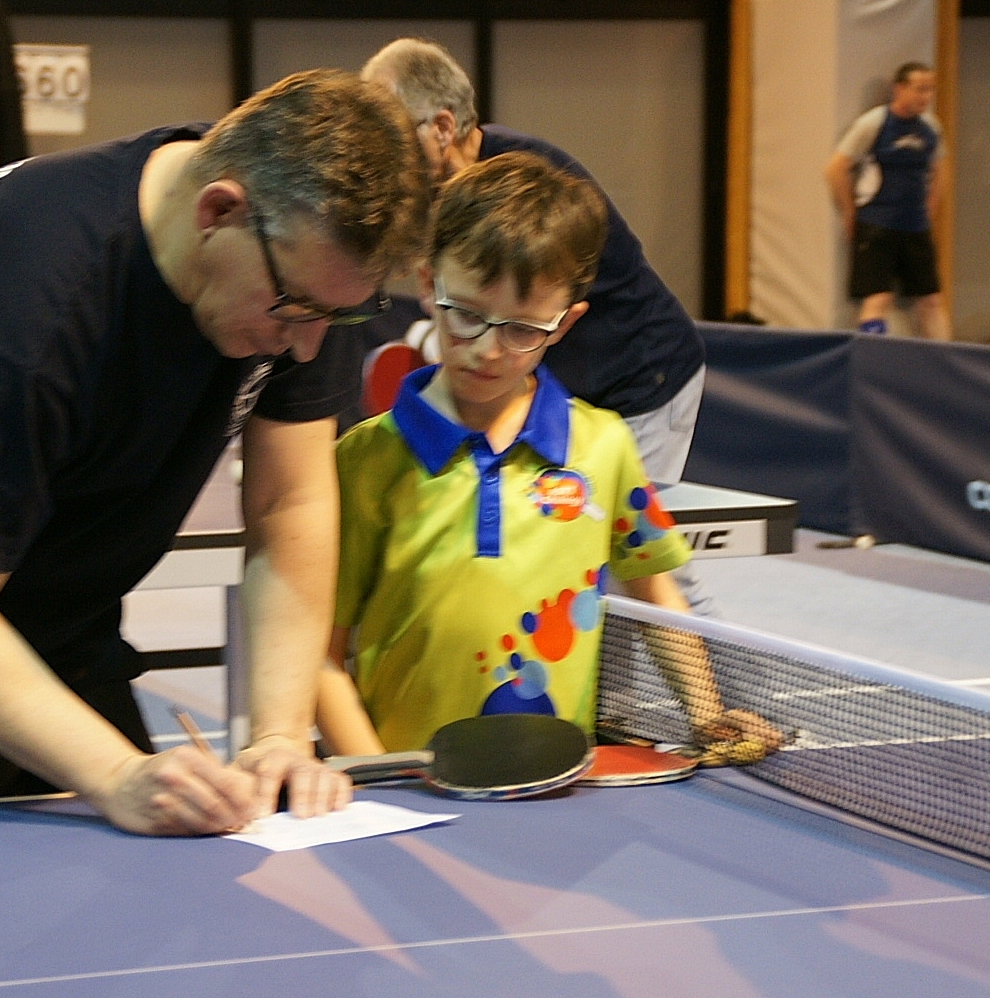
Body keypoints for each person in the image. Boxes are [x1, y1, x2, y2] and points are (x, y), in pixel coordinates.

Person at [0, 69, 431, 835]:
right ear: (218, 212)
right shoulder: (20, 304)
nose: (307, 346)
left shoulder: (298, 271)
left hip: (54, 611)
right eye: (297, 309)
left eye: (337, 316)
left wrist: (278, 734)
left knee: (145, 863)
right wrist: (115, 774)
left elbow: (288, 501)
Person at [317, 152, 779, 758]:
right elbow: (321, 655)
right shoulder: (364, 460)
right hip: (409, 782)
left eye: (523, 330)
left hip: (555, 779)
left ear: (564, 324)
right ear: (427, 285)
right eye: (467, 316)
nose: (488, 350)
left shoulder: (604, 446)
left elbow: (657, 592)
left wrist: (707, 713)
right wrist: (381, 774)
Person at [361, 38, 717, 614]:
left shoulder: (528, 181)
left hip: (641, 381)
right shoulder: (443, 193)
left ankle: (714, 674)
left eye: (392, 137)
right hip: (575, 388)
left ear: (443, 128)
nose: (384, 158)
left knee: (635, 565)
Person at [825, 62, 952, 340]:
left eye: (929, 90)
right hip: (877, 225)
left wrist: (929, 211)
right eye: (919, 89)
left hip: (915, 227)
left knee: (931, 301)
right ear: (900, 89)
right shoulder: (874, 124)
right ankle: (873, 355)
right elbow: (835, 169)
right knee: (878, 298)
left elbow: (941, 171)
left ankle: (943, 359)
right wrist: (850, 213)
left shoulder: (930, 127)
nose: (925, 96)